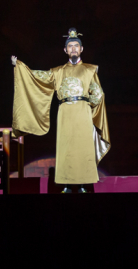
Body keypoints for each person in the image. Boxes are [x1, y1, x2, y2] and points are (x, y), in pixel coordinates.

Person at [11, 28, 110, 193]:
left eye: (76, 46)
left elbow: (98, 93)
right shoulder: (58, 71)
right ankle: (66, 184)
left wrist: (88, 106)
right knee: (66, 147)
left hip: (82, 111)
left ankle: (83, 184)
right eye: (70, 46)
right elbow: (39, 77)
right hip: (65, 112)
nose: (73, 49)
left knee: (82, 147)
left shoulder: (89, 70)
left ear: (81, 49)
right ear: (65, 50)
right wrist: (20, 67)